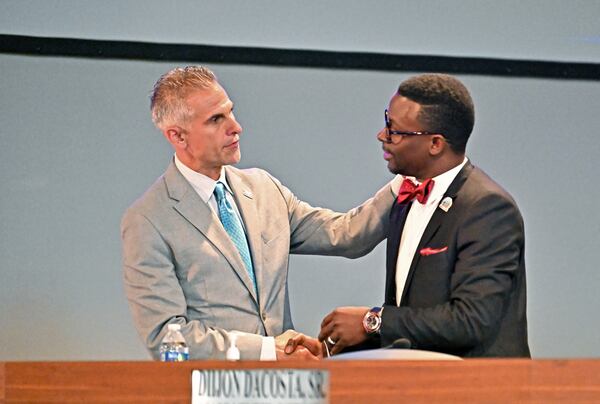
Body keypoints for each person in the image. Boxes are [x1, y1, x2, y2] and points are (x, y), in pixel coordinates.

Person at [121, 66, 396, 360]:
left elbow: (346, 235)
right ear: (177, 137)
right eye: (216, 119)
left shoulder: (264, 189)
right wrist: (267, 351)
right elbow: (166, 338)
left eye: (231, 112)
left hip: (286, 389)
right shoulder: (148, 221)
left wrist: (407, 181)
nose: (236, 127)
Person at [319, 73, 530, 357]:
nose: (383, 136)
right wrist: (335, 347)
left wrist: (372, 321)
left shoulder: (488, 208)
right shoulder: (404, 198)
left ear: (435, 144)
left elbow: (471, 320)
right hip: (421, 383)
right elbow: (413, 326)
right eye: (386, 122)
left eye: (395, 130)